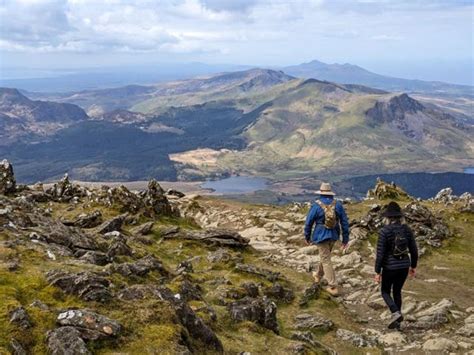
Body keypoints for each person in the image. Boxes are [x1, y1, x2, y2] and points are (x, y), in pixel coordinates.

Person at [375, 201, 418, 329]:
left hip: (390, 267)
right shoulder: (407, 230)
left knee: (385, 291)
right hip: (404, 266)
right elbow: (414, 250)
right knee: (397, 291)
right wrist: (413, 266)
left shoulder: (384, 231)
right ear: (400, 217)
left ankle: (395, 312)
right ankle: (397, 323)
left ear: (387, 218)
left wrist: (377, 271)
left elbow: (380, 254)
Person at [304, 182, 350, 296]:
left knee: (326, 259)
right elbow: (344, 223)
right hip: (334, 235)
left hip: (320, 235)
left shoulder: (316, 205)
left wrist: (307, 236)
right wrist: (345, 239)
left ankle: (332, 286)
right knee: (325, 256)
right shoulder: (337, 205)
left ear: (321, 192)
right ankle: (318, 275)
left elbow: (308, 223)